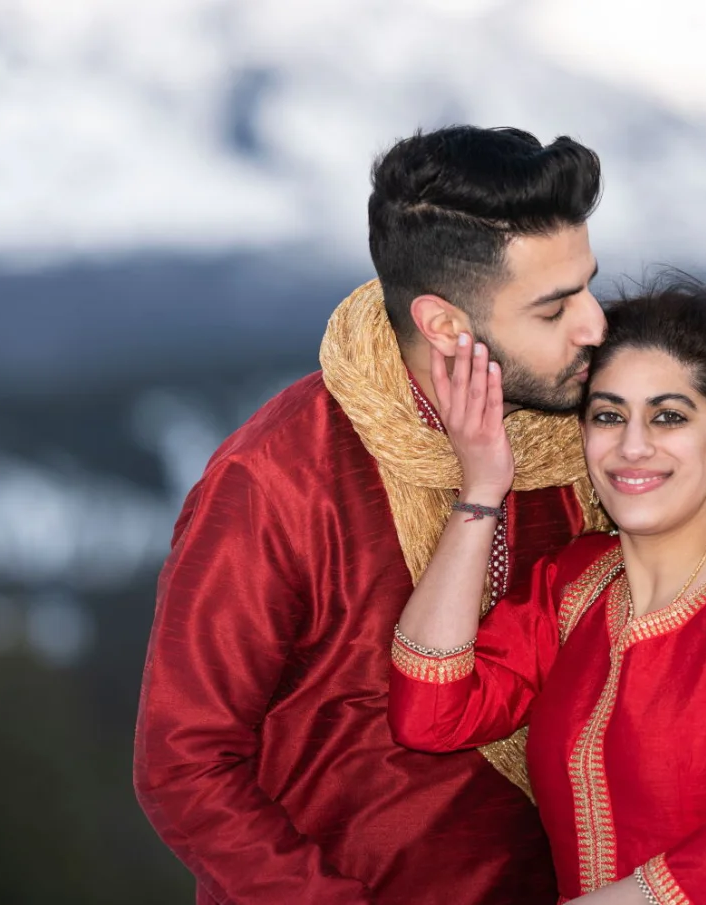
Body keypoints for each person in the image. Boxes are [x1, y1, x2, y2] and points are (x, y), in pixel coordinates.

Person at [133, 125, 610, 905]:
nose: (595, 324)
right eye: (555, 308)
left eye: (589, 284)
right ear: (446, 325)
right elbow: (183, 763)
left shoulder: (594, 445)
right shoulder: (278, 479)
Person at [388, 277, 706, 904]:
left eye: (668, 416)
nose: (632, 446)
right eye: (608, 415)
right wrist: (481, 487)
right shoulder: (573, 585)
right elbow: (428, 714)